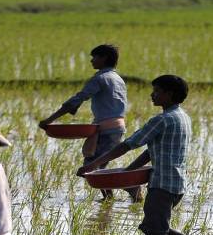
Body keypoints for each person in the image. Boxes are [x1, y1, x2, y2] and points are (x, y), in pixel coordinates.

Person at [77, 75, 213, 235]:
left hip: (161, 185)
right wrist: (128, 171)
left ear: (169, 94)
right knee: (157, 228)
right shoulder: (182, 117)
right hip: (176, 184)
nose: (152, 95)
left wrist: (93, 164)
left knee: (153, 233)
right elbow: (152, 151)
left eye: (157, 91)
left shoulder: (162, 120)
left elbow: (128, 144)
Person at [39, 44, 141, 202]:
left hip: (107, 128)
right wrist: (74, 108)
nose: (92, 60)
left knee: (92, 166)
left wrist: (50, 120)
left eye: (95, 57)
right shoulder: (117, 79)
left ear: (104, 58)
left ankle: (129, 186)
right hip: (116, 127)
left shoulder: (100, 78)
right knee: (98, 164)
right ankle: (108, 198)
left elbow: (78, 98)